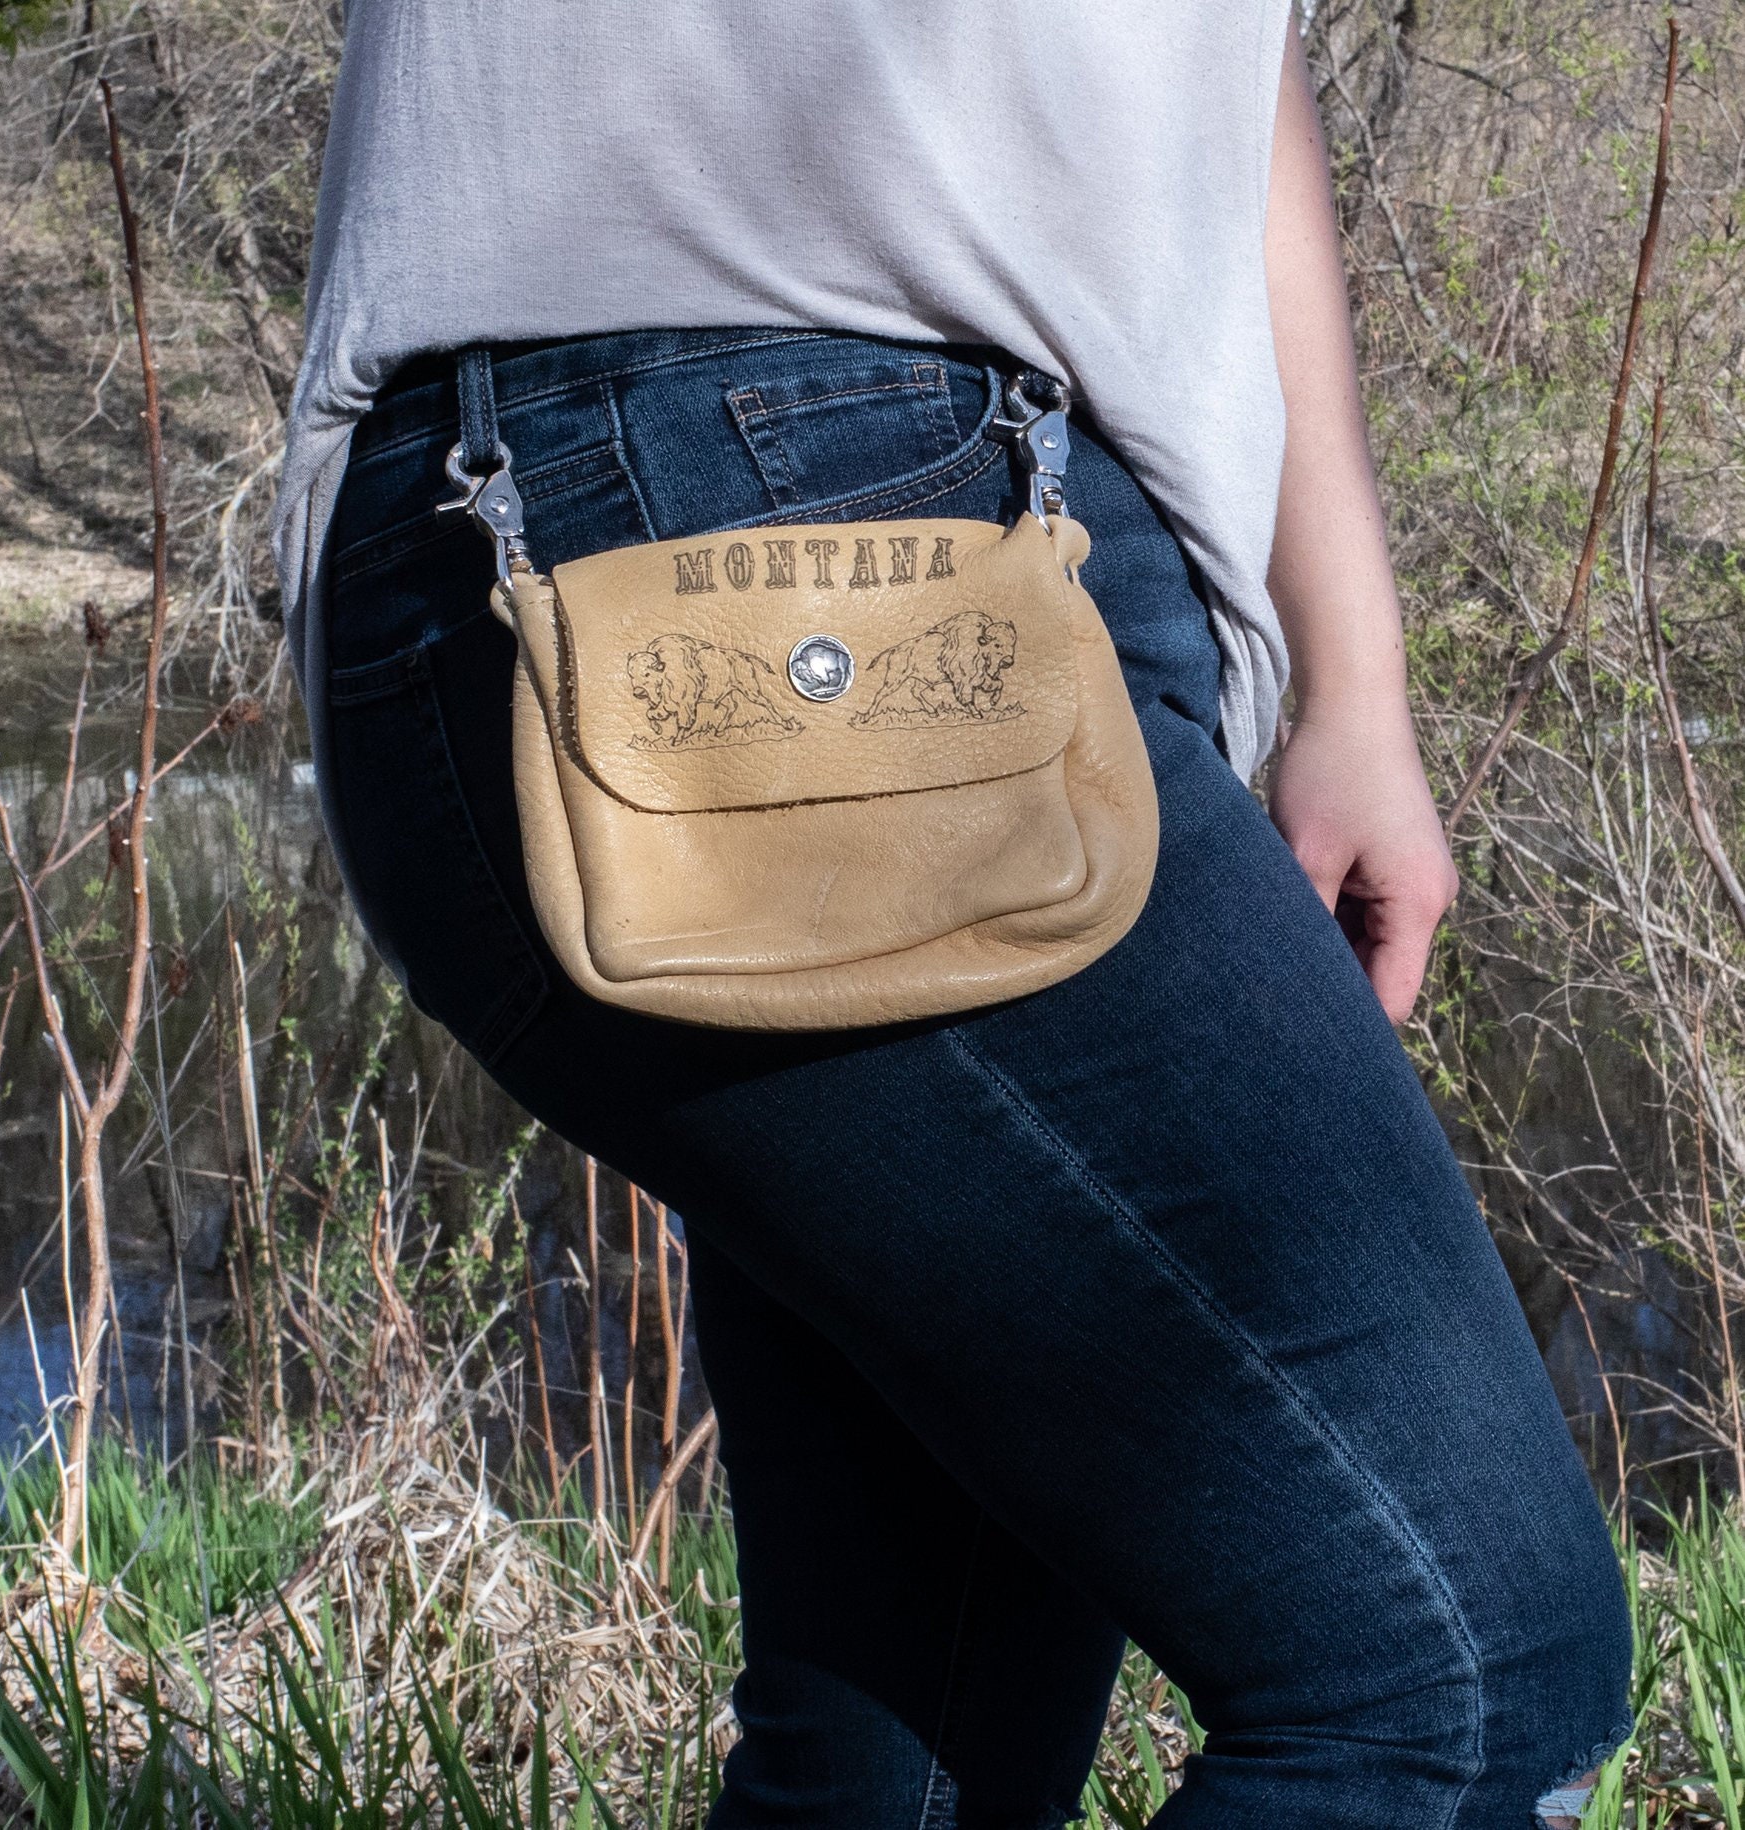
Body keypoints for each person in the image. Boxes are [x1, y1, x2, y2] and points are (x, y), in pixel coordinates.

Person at [273, 5, 1632, 1823]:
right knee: (1456, 1665)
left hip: (820, 509)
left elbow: (1245, 65)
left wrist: (1352, 681)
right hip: (793, 487)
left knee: (912, 1756)